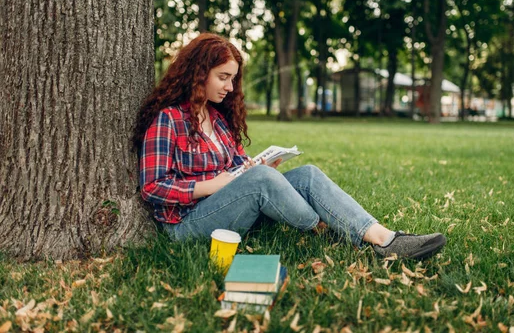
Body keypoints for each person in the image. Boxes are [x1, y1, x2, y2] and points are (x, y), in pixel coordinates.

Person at [132, 33, 446, 260]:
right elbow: (152, 187)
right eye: (223, 77)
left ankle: (384, 239)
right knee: (262, 181)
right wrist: (218, 184)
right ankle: (322, 226)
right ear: (198, 74)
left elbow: (239, 166)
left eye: (233, 79)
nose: (230, 87)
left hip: (233, 205)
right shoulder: (168, 120)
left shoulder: (218, 119)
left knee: (307, 174)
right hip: (188, 225)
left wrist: (256, 168)